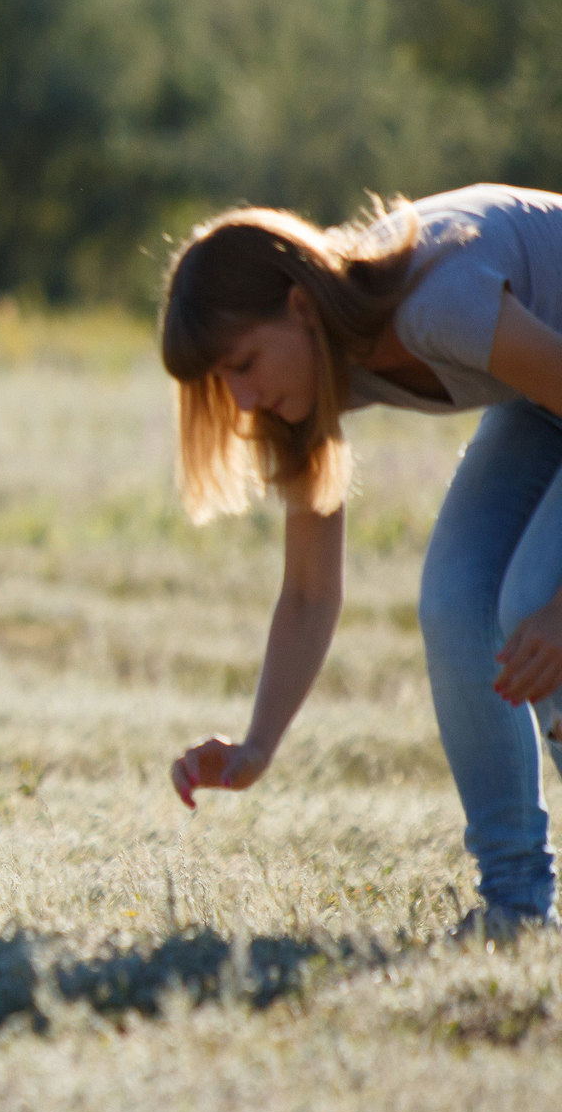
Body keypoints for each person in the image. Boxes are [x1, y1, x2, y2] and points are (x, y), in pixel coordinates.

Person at [160, 184, 562, 938]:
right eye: (224, 382)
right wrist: (255, 747)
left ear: (300, 307)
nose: (242, 400)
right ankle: (516, 908)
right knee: (455, 605)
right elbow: (311, 594)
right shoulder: (308, 385)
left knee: (535, 597)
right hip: (547, 392)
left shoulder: (435, 303)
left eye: (244, 363)